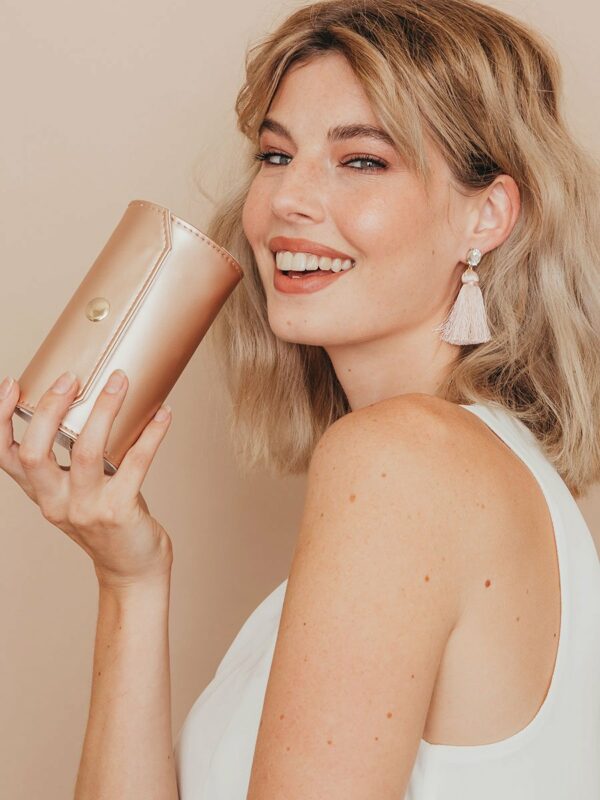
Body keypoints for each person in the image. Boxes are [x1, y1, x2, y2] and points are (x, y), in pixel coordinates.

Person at [1, 0, 599, 798]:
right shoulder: (471, 472)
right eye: (276, 154)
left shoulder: (401, 460)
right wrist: (130, 580)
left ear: (486, 215)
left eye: (363, 161)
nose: (287, 198)